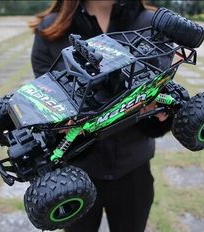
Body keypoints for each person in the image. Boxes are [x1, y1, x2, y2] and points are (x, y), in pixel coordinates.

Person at [29, 1, 173, 231]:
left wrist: (158, 111)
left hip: (133, 170)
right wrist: (57, 121)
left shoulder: (152, 24)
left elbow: (163, 87)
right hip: (75, 173)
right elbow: (43, 94)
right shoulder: (52, 29)